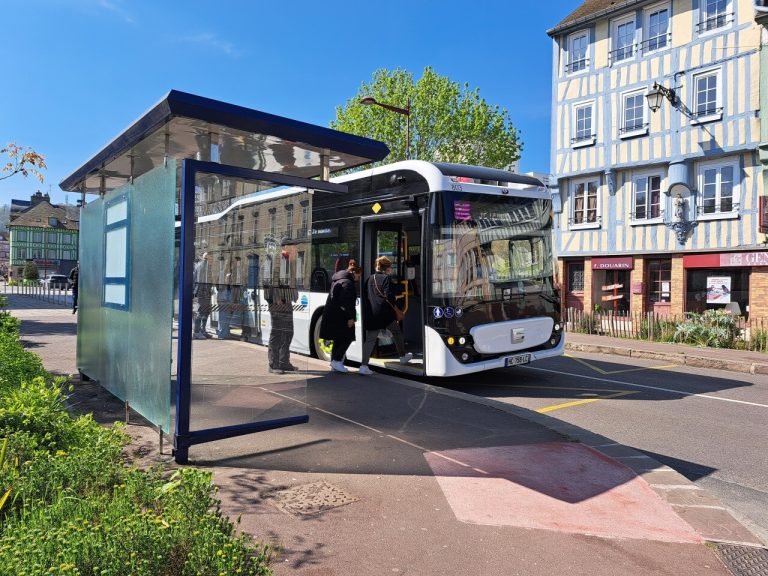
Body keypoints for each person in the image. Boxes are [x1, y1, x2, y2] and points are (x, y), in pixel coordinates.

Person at [359, 256, 413, 375]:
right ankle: (402, 356)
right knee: (397, 332)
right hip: (384, 314)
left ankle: (363, 366)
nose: (391, 269)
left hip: (371, 314)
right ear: (387, 268)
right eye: (390, 267)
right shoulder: (386, 279)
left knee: (370, 340)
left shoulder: (369, 279)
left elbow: (365, 296)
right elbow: (389, 297)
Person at [320, 260, 362, 373]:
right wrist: (350, 317)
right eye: (358, 276)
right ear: (354, 273)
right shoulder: (348, 283)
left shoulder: (338, 279)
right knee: (347, 338)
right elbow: (345, 303)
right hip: (341, 317)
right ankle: (337, 361)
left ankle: (335, 362)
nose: (358, 279)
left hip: (334, 315)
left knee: (338, 338)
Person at [266, 276, 299, 374]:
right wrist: (275, 298)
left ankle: (283, 362)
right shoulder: (273, 265)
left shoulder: (289, 267)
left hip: (287, 303)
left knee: (288, 333)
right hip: (276, 303)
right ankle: (273, 364)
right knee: (277, 333)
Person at [193, 253, 213, 339]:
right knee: (201, 312)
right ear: (207, 258)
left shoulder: (199, 265)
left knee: (204, 312)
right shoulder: (204, 265)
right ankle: (197, 331)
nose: (212, 260)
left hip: (202, 291)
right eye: (211, 258)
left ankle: (201, 330)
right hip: (203, 292)